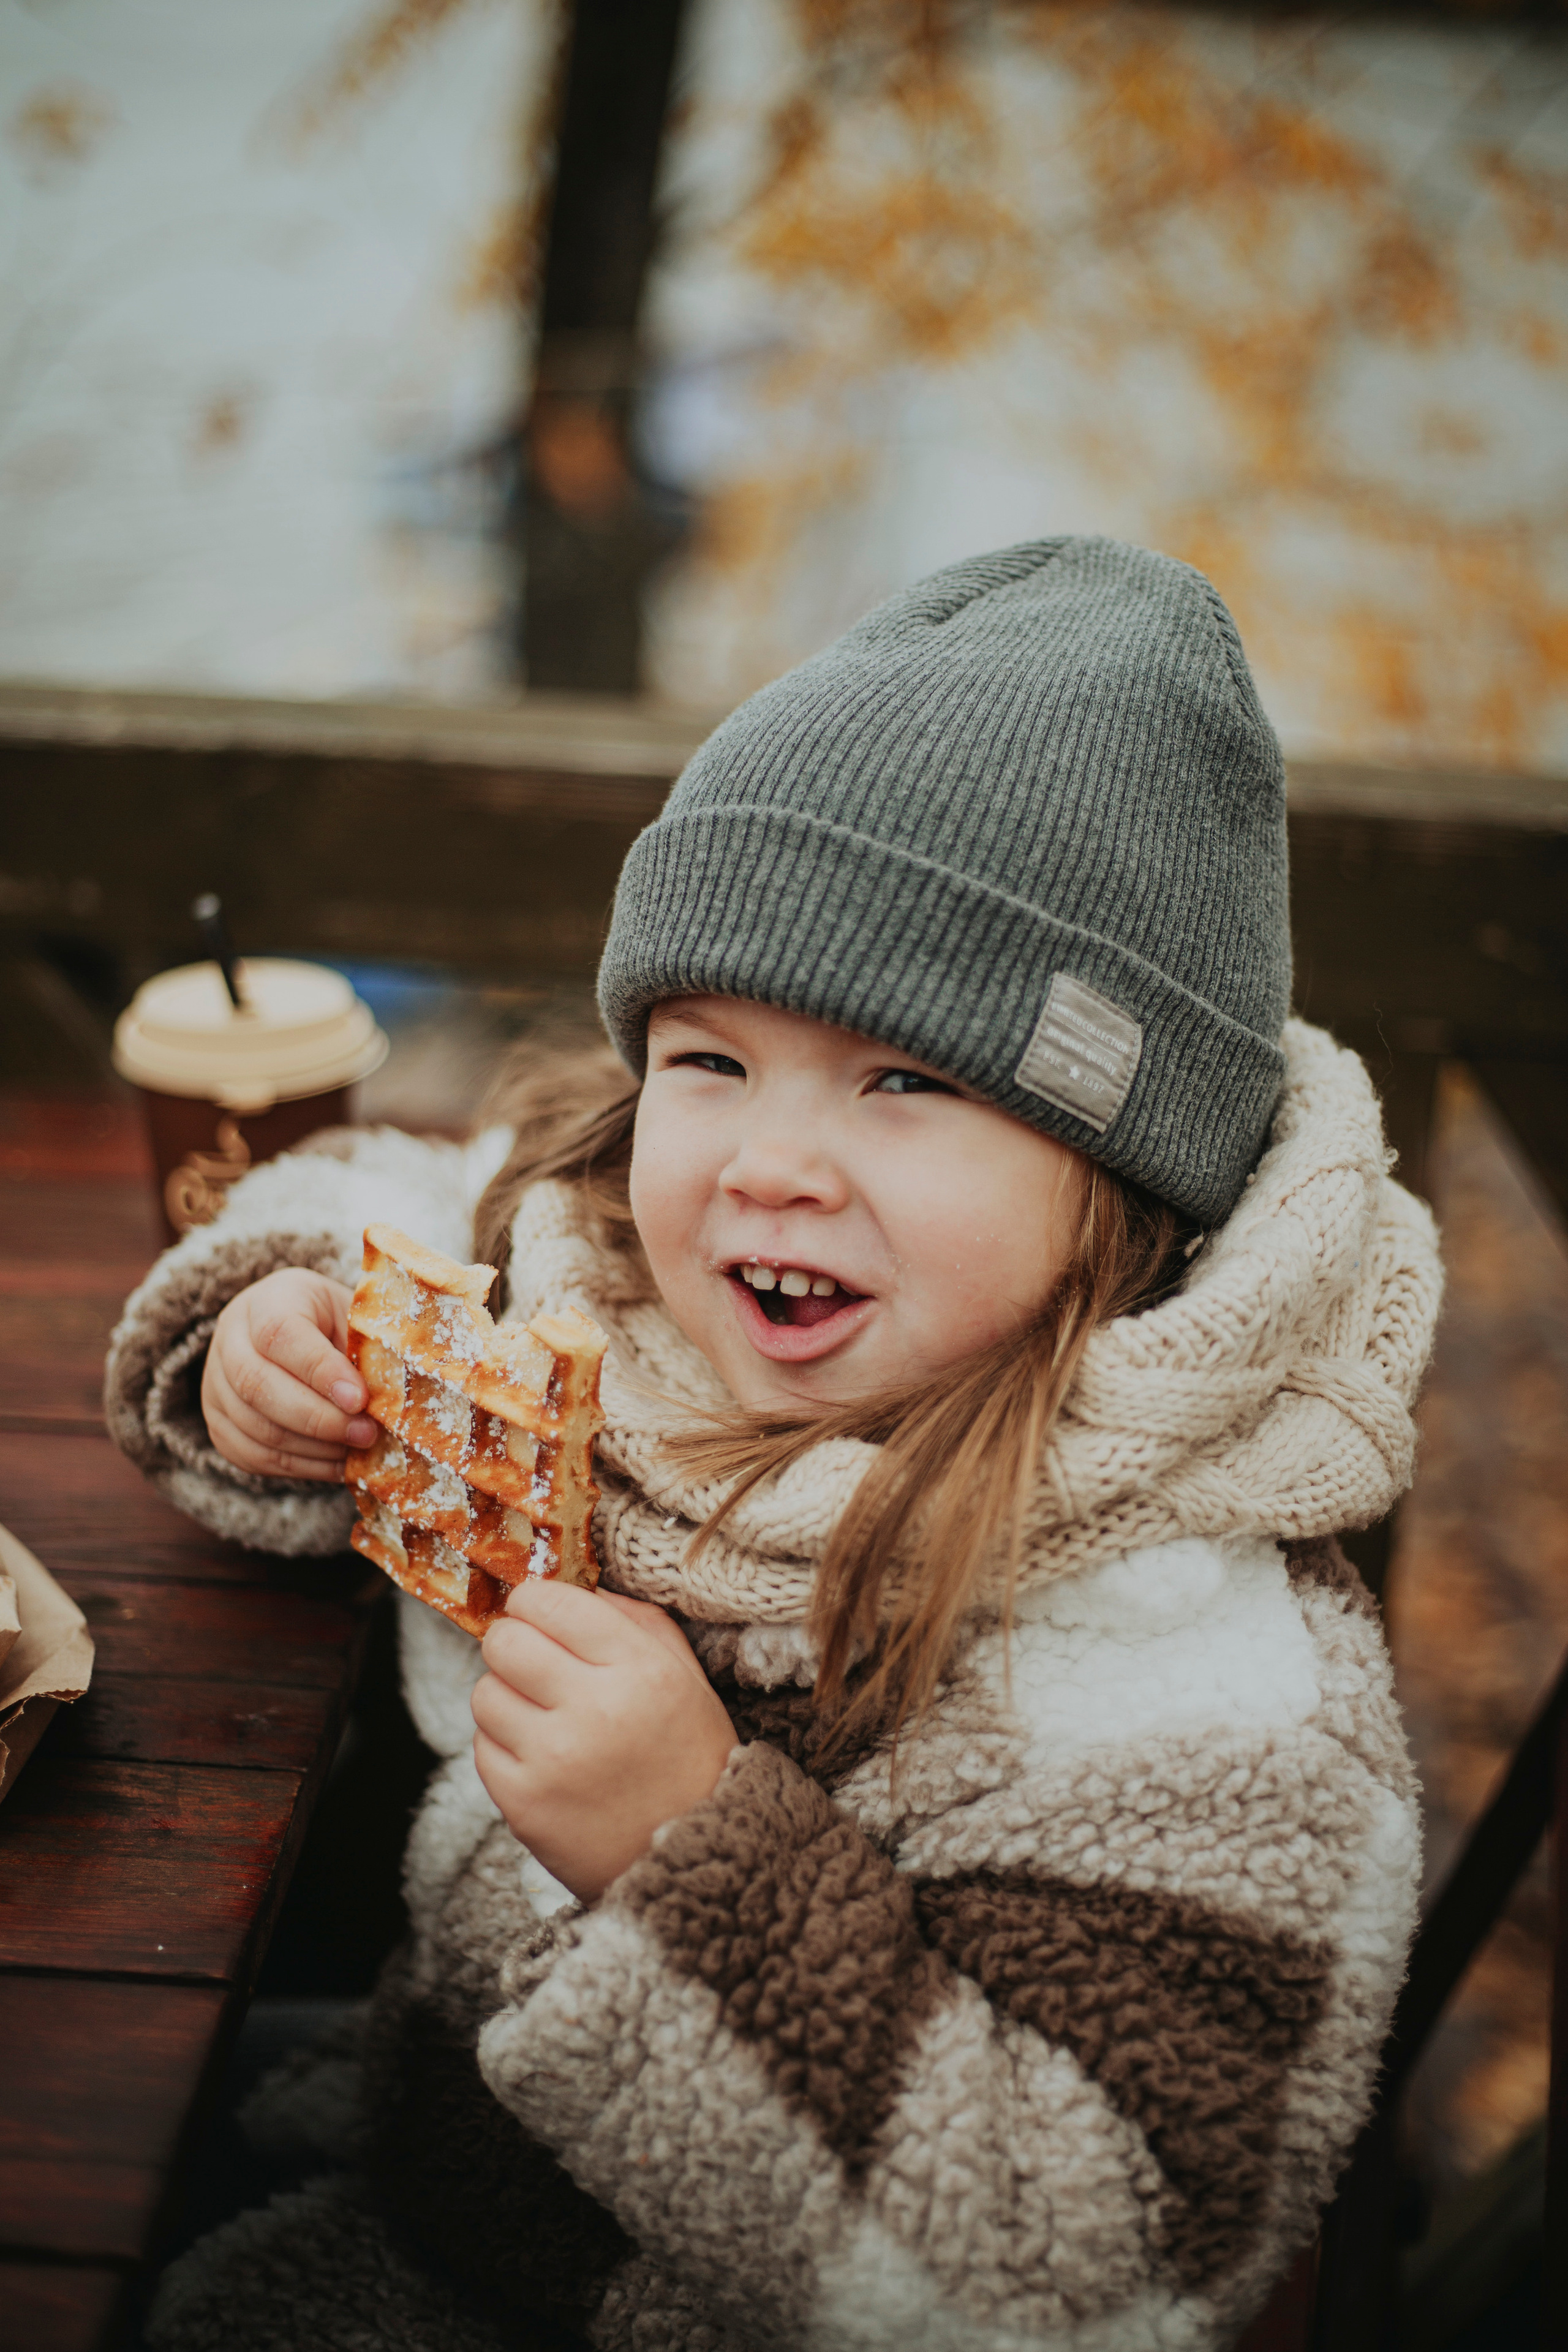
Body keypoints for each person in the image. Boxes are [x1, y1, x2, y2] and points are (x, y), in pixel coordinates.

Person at [108, 538, 1442, 2352]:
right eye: (710, 1059)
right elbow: (422, 1195)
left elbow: (1093, 2279)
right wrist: (284, 1324)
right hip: (439, 2138)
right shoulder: (634, 1274)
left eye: (906, 1082)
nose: (768, 1163)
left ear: (1129, 1178)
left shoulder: (1207, 1694)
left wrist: (684, 1865)